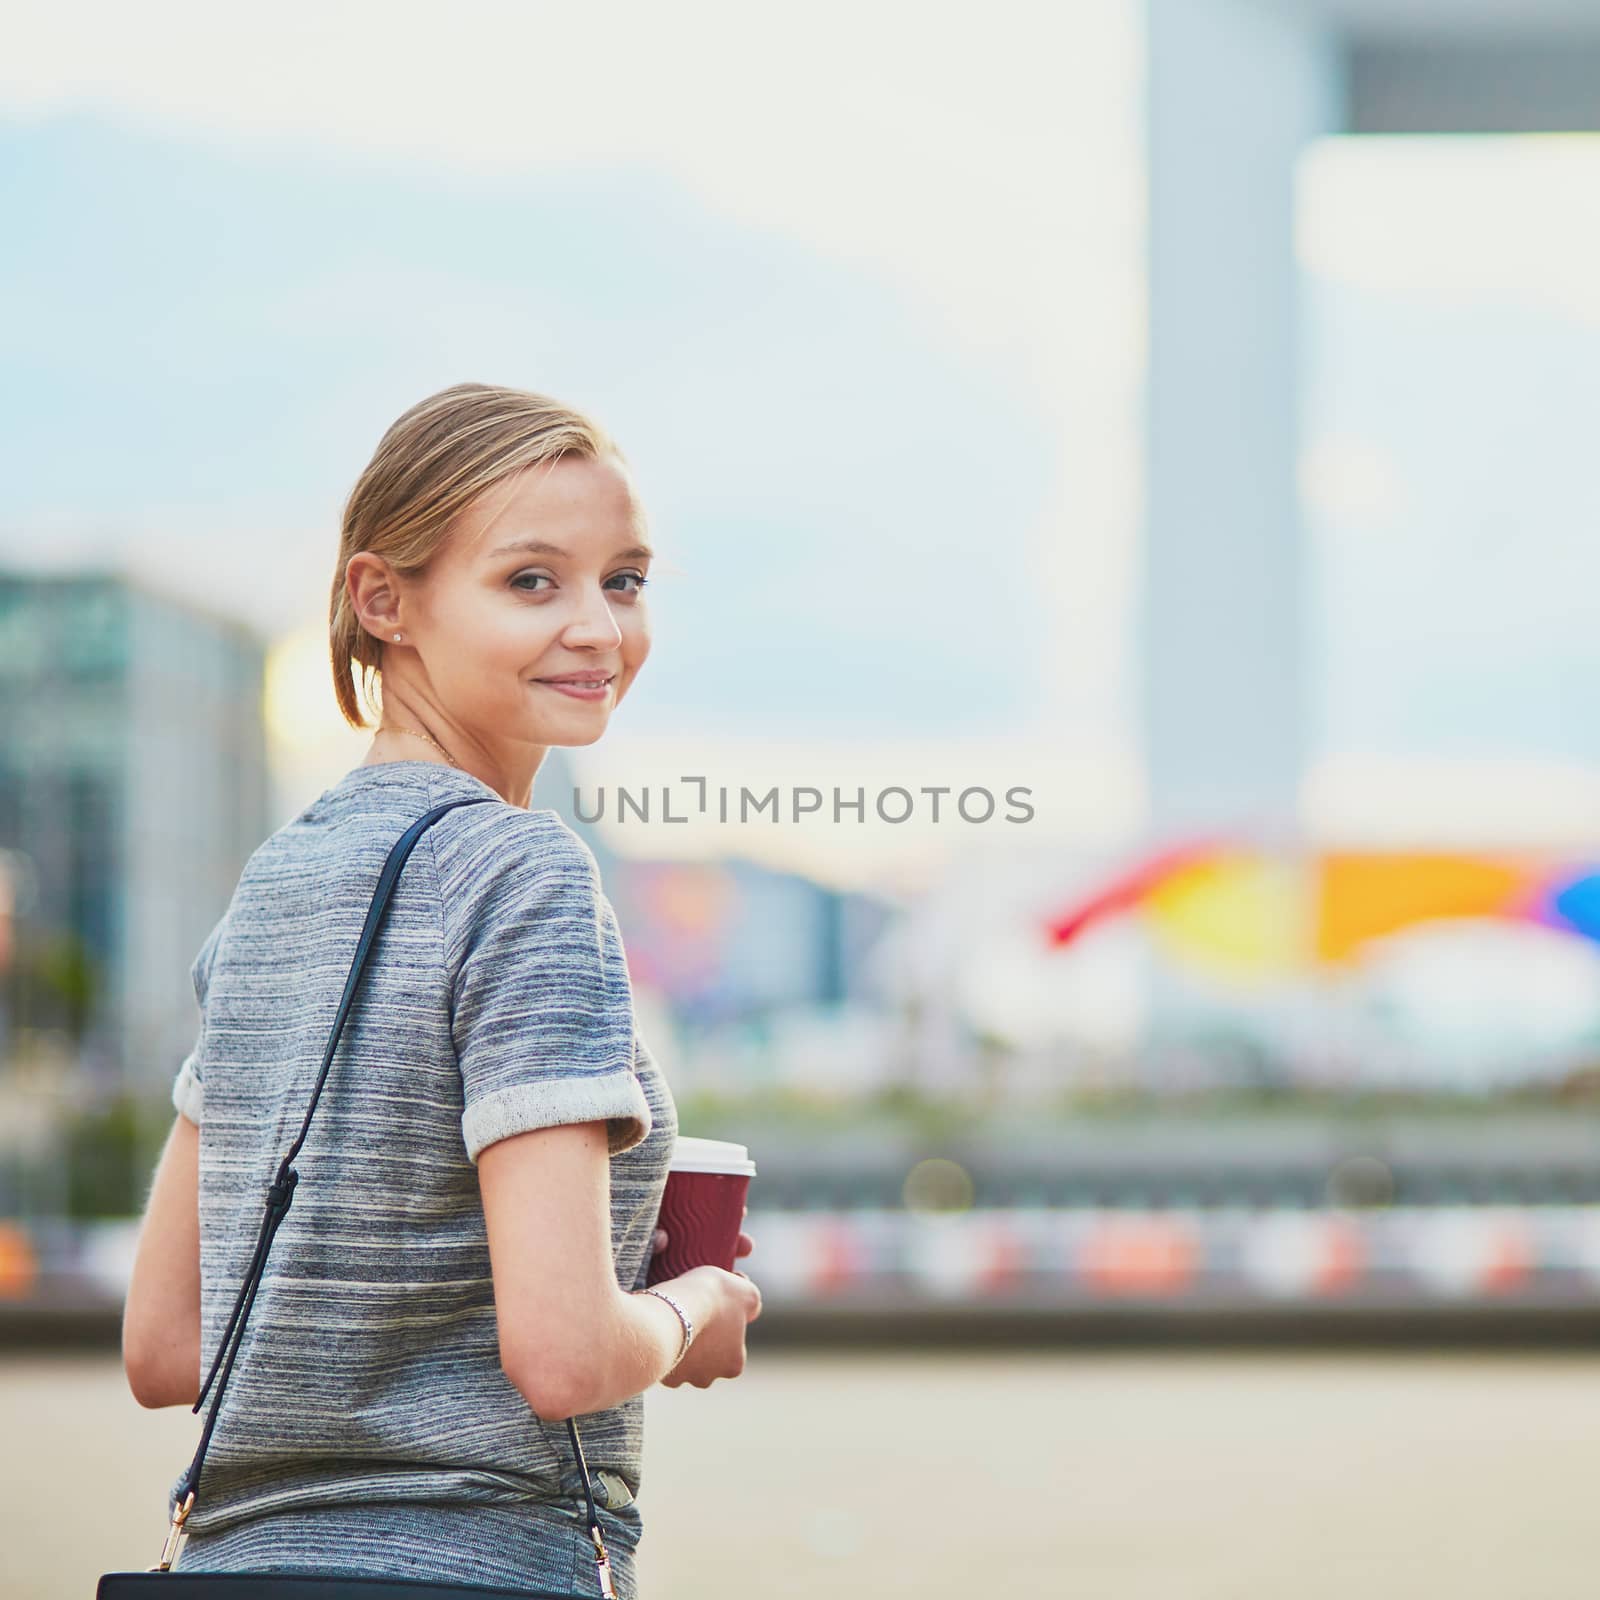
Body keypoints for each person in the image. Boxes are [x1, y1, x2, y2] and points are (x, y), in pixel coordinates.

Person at [119, 382, 763, 1599]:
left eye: (622, 580)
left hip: (239, 1568)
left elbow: (165, 1347)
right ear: (383, 601)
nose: (597, 628)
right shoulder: (524, 873)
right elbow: (565, 1357)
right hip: (477, 1567)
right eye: (532, 580)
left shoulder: (275, 881)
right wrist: (693, 1303)